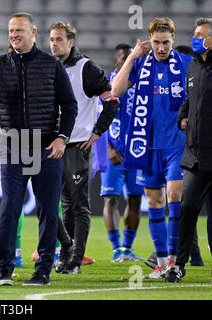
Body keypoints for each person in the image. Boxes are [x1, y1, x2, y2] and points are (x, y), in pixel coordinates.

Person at [0, 12, 78, 286]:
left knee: (49, 211)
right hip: (13, 148)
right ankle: (5, 270)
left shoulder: (52, 65)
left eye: (19, 30)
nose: (13, 34)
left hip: (47, 149)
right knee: (10, 209)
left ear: (33, 32)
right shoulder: (0, 65)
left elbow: (70, 105)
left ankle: (43, 271)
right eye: (11, 30)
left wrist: (62, 137)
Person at [112, 17, 192, 279]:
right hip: (146, 146)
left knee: (174, 196)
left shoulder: (185, 64)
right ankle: (160, 262)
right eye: (156, 42)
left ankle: (174, 261)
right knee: (154, 201)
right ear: (150, 40)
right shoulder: (142, 65)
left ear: (173, 39)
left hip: (176, 145)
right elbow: (117, 89)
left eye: (166, 42)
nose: (161, 47)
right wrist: (133, 56)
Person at [48, 21, 120, 274]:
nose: (54, 43)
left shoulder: (85, 68)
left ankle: (74, 260)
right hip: (51, 145)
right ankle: (66, 252)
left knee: (78, 205)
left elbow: (112, 101)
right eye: (52, 39)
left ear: (71, 42)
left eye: (59, 39)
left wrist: (97, 132)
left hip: (76, 146)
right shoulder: (49, 67)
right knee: (56, 204)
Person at [166, 18, 212, 282]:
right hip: (195, 155)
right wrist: (183, 116)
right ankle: (179, 264)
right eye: (194, 33)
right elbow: (188, 99)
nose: (194, 37)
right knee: (188, 209)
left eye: (199, 34)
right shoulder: (193, 66)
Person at [101, 43, 144, 263]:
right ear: (116, 61)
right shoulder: (108, 83)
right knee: (111, 198)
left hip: (137, 152)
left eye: (133, 57)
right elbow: (99, 116)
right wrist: (107, 147)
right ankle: (116, 247)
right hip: (113, 151)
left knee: (135, 199)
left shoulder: (143, 80)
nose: (130, 61)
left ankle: (128, 248)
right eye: (125, 58)